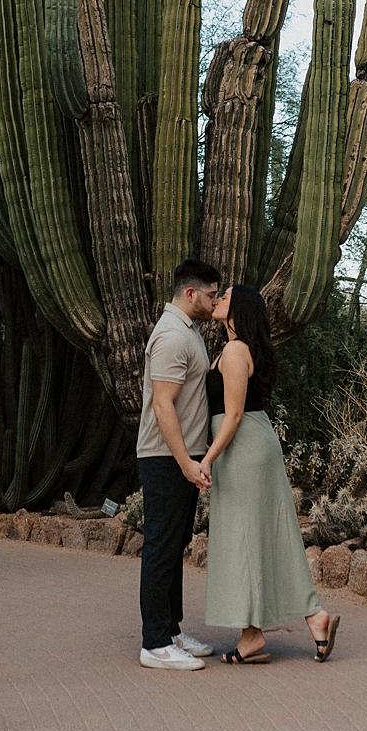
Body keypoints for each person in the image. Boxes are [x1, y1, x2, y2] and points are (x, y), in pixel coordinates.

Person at [199, 283, 338, 663]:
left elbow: (234, 416)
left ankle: (256, 636)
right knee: (261, 537)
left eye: (225, 296)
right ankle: (307, 620)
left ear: (239, 309)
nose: (217, 299)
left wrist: (207, 459)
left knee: (244, 538)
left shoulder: (233, 351)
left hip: (242, 448)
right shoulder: (236, 350)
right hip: (248, 447)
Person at [136, 257, 222, 671]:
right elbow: (162, 404)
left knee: (173, 546)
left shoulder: (188, 332)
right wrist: (185, 460)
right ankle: (154, 643)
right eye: (211, 294)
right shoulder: (171, 335)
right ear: (191, 294)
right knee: (160, 547)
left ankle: (169, 630)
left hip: (179, 457)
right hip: (166, 457)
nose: (215, 301)